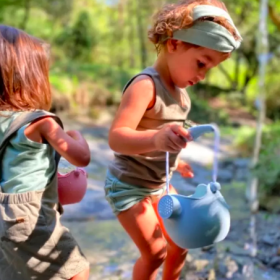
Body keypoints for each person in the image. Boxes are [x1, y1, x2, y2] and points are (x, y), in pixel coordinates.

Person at [104, 0, 242, 279]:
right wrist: (157, 139)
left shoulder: (182, 97)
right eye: (201, 63)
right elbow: (117, 138)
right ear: (175, 44)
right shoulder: (146, 85)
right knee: (155, 251)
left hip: (159, 185)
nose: (202, 76)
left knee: (181, 242)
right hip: (128, 186)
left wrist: (176, 163)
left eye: (209, 69)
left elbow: (165, 139)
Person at [0, 25, 90, 280]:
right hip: (29, 217)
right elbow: (81, 157)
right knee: (77, 270)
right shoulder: (42, 122)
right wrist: (77, 137)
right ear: (29, 77)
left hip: (2, 217)